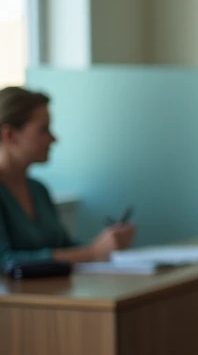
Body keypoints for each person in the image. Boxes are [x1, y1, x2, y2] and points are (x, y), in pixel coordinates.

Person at [0, 86, 135, 269]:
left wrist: (105, 245)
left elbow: (64, 247)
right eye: (43, 130)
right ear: (8, 134)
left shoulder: (38, 190)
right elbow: (5, 261)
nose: (54, 138)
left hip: (55, 295)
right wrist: (92, 253)